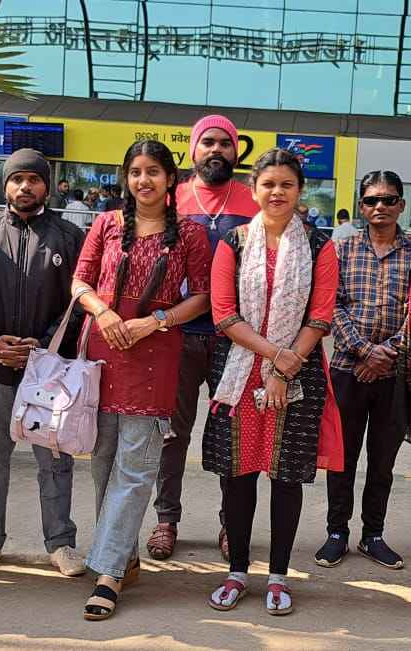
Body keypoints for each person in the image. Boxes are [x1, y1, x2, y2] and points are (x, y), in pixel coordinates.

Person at [71, 140, 211, 621]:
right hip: (103, 349)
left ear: (171, 178)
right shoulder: (106, 224)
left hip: (155, 355)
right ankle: (124, 557)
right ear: (126, 178)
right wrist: (104, 312)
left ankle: (108, 575)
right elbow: (80, 281)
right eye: (135, 172)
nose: (143, 180)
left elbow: (203, 297)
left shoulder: (190, 233)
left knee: (134, 470)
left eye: (153, 171)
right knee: (102, 465)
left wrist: (155, 321)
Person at [202, 148, 341, 616]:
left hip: (298, 377)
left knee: (286, 478)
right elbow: (224, 315)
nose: (277, 192)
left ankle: (279, 576)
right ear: (254, 189)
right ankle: (237, 571)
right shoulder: (234, 242)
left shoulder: (320, 246)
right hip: (239, 376)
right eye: (268, 184)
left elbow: (320, 317)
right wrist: (275, 358)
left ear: (300, 190)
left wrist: (283, 370)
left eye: (286, 184)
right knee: (237, 476)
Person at [0, 149, 87, 577]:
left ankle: (61, 543)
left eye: (34, 179)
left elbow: (80, 304)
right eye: (16, 179)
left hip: (50, 373)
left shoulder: (70, 237)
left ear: (46, 186)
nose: (25, 187)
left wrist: (44, 347)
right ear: (5, 185)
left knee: (55, 459)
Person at [146, 114, 259, 562]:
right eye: (207, 142)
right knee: (171, 434)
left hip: (235, 338)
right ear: (193, 150)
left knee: (231, 435)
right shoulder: (171, 199)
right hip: (176, 334)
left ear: (236, 151)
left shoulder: (253, 201)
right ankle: (166, 520)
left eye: (224, 143)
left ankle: (232, 524)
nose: (216, 150)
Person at [315, 170, 411, 571]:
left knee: (382, 462)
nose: (380, 207)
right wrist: (364, 352)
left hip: (394, 373)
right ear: (361, 206)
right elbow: (331, 305)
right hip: (348, 369)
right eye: (372, 200)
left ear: (401, 205)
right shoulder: (341, 249)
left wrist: (386, 355)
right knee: (341, 458)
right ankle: (336, 533)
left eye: (388, 199)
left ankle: (373, 535)